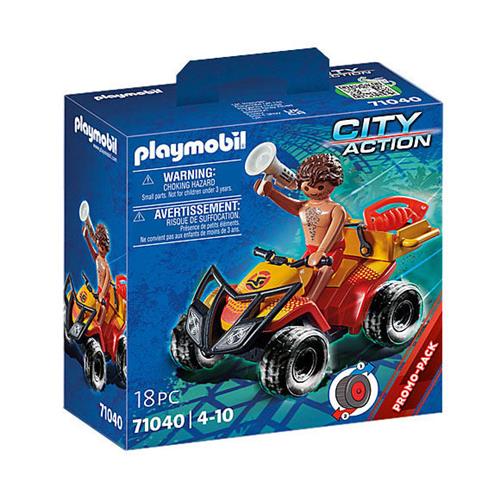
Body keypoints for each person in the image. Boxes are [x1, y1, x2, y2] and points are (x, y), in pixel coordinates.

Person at [254, 153, 346, 302]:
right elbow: (291, 205)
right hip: (310, 251)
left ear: (334, 183)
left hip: (331, 253)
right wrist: (271, 192)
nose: (313, 191)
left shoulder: (336, 210)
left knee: (323, 273)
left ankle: (310, 303)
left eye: (320, 187)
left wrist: (321, 252)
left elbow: (333, 233)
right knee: (297, 276)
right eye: (307, 186)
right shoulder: (304, 206)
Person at [83, 222, 112, 328]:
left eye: (102, 247)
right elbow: (92, 250)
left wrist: (102, 294)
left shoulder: (106, 267)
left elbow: (108, 281)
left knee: (103, 308)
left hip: (104, 295)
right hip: (98, 291)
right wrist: (86, 238)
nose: (100, 248)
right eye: (99, 246)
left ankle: (99, 326)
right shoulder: (98, 258)